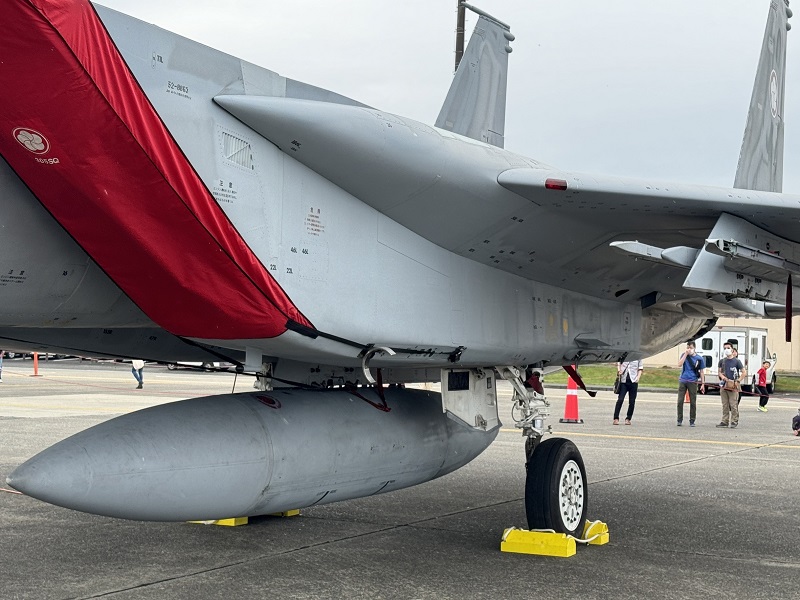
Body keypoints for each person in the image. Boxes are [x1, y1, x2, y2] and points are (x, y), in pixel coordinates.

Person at [717, 342, 745, 428]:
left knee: (733, 404)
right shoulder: (722, 361)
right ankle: (724, 421)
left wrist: (738, 381)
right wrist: (723, 377)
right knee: (725, 404)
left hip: (733, 386)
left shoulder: (737, 361)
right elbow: (719, 372)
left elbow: (744, 372)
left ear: (732, 349)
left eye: (728, 348)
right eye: (725, 348)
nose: (726, 350)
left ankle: (734, 421)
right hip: (724, 385)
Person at [677, 341, 704, 426]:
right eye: (688, 347)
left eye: (691, 348)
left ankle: (692, 420)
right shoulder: (684, 355)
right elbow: (679, 364)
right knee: (680, 401)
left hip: (693, 381)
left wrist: (703, 383)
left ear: (694, 348)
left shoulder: (699, 358)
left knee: (693, 402)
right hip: (683, 380)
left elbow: (701, 371)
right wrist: (685, 354)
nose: (689, 349)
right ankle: (679, 419)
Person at [613, 359, 643, 425]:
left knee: (632, 402)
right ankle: (616, 418)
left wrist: (638, 378)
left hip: (633, 382)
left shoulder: (638, 357)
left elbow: (640, 368)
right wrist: (619, 370)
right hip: (623, 381)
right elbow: (619, 362)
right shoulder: (625, 355)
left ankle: (628, 418)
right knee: (620, 400)